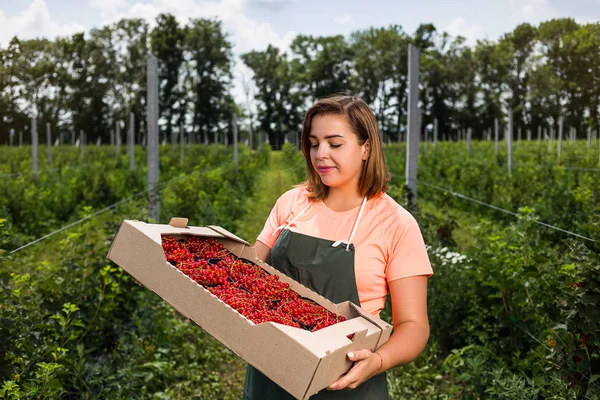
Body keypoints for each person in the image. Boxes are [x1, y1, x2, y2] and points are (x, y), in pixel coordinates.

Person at [242, 95, 433, 399]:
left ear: (365, 148)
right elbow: (245, 276)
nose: (321, 154)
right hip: (272, 375)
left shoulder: (395, 223)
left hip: (346, 381)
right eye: (314, 143)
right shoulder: (292, 203)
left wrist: (378, 361)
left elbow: (414, 326)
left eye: (335, 143)